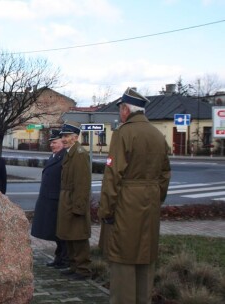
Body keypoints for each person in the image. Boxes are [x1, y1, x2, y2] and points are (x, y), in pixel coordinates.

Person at [98, 88, 171, 304]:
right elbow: (165, 173)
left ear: (125, 109)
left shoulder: (123, 133)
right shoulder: (158, 135)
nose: (120, 114)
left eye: (120, 109)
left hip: (126, 202)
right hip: (150, 203)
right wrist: (156, 198)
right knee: (146, 258)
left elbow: (113, 175)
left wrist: (106, 210)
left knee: (123, 258)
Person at [56, 121, 92, 281]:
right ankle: (74, 266)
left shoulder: (80, 154)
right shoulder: (70, 153)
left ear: (75, 137)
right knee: (69, 235)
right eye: (62, 136)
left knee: (78, 237)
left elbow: (82, 184)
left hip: (74, 201)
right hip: (67, 200)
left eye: (67, 136)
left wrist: (79, 207)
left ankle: (83, 269)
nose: (63, 139)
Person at [31, 129, 68, 269]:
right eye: (51, 143)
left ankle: (64, 259)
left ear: (62, 143)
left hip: (58, 200)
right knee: (55, 232)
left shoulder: (64, 157)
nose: (52, 145)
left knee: (61, 233)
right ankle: (59, 257)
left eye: (55, 142)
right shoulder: (54, 156)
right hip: (50, 199)